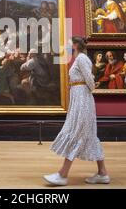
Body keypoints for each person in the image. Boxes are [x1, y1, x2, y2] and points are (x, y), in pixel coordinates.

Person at [44, 36, 109, 186]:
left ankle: (62, 174)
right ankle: (102, 173)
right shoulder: (79, 59)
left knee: (76, 132)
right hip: (79, 98)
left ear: (74, 45)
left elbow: (90, 80)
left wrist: (87, 89)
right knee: (89, 135)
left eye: (68, 44)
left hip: (82, 100)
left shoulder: (81, 58)